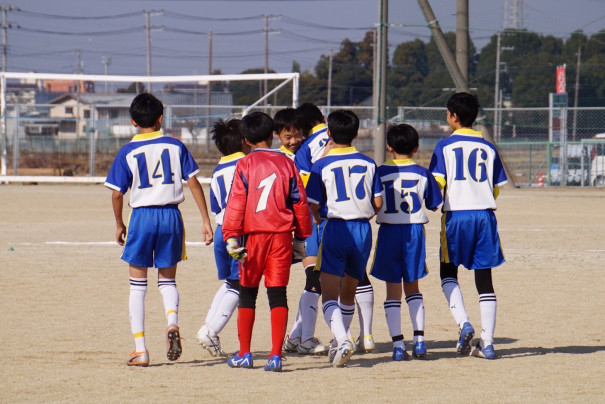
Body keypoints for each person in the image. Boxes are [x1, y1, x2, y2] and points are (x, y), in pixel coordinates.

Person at [105, 93, 213, 367]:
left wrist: (119, 223)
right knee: (167, 280)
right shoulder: (176, 146)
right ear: (161, 118)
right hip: (171, 217)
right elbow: (194, 182)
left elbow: (117, 193)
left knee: (137, 286)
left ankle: (140, 349)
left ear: (132, 122)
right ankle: (172, 322)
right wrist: (205, 221)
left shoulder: (128, 151)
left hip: (141, 216)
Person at [221, 111, 313, 372]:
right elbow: (300, 201)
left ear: (245, 140)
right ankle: (275, 356)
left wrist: (230, 235)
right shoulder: (288, 163)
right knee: (278, 293)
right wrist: (302, 234)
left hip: (252, 237)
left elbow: (236, 203)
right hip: (281, 236)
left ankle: (245, 353)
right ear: (273, 135)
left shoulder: (245, 164)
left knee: (247, 292)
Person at [291, 104, 378, 354]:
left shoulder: (321, 163)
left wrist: (318, 219)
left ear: (329, 133)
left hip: (335, 227)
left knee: (328, 292)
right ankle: (351, 338)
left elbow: (313, 204)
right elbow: (378, 203)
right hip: (362, 229)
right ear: (357, 134)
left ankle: (342, 340)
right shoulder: (369, 162)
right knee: (351, 288)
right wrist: (363, 215)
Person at [428, 92, 507, 360]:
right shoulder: (489, 147)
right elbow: (495, 189)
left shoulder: (444, 146)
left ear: (454, 117)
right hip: (484, 216)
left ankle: (464, 323)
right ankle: (488, 342)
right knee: (484, 278)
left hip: (456, 217)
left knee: (448, 272)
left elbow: (437, 185)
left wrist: (430, 202)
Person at [370, 124, 442, 361]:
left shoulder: (379, 172)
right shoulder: (422, 173)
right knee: (413, 286)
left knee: (392, 291)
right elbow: (433, 203)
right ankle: (419, 341)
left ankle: (398, 345)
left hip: (389, 231)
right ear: (416, 147)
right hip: (413, 232)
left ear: (388, 147)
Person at [273, 105, 329, 355]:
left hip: (304, 226)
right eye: (289, 137)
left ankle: (297, 337)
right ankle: (303, 338)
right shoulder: (281, 159)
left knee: (314, 279)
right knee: (312, 279)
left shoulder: (305, 153)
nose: (295, 141)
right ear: (278, 136)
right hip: (292, 228)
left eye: (299, 135)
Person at [196, 118, 249, 357]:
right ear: (245, 140)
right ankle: (211, 330)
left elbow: (217, 206)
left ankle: (208, 326)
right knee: (239, 285)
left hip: (221, 230)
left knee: (230, 282)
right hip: (239, 231)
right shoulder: (248, 164)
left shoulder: (217, 171)